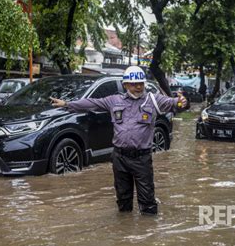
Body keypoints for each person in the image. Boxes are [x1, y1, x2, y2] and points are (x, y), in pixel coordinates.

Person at [50, 66, 187, 215]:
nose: (138, 87)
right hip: (119, 158)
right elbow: (92, 103)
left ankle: (148, 231)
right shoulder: (114, 101)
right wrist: (67, 104)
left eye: (141, 83)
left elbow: (176, 104)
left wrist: (182, 102)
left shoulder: (153, 100)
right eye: (134, 84)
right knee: (123, 200)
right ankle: (125, 230)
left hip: (142, 158)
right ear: (126, 85)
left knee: (147, 202)